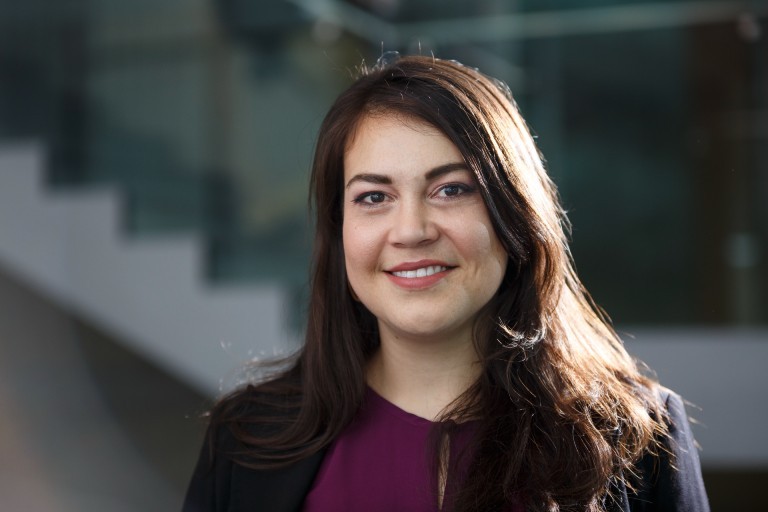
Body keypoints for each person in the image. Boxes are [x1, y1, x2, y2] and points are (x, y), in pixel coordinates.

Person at [182, 54, 709, 512]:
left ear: (515, 215)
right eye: (373, 197)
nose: (411, 231)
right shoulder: (245, 435)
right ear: (338, 231)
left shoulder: (637, 434)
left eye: (451, 189)